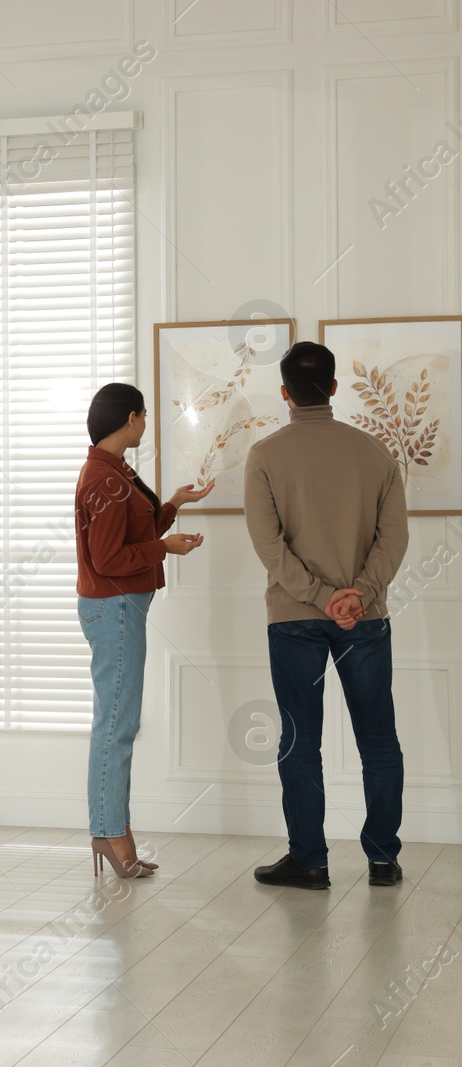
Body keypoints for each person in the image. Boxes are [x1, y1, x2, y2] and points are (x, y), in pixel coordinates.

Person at [245, 341, 409, 890]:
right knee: (378, 739)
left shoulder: (265, 456)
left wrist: (318, 596)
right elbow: (395, 540)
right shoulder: (377, 454)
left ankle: (310, 861)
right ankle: (383, 860)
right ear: (335, 388)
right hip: (363, 616)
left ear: (285, 393)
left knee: (299, 739)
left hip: (292, 616)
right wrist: (355, 594)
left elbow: (269, 548)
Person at [75, 384, 210, 878]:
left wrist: (171, 504)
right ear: (131, 419)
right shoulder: (103, 478)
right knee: (117, 725)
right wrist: (165, 548)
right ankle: (111, 833)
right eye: (145, 416)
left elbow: (133, 531)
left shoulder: (112, 470)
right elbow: (109, 558)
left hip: (119, 608)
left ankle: (112, 830)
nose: (146, 423)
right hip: (115, 609)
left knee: (118, 723)